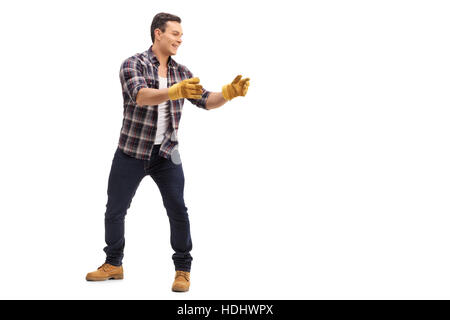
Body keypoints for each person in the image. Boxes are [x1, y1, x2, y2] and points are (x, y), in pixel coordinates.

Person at [85, 12, 250, 292]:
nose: (180, 39)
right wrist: (174, 92)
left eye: (181, 35)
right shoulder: (133, 64)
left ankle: (183, 270)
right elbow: (140, 95)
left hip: (166, 155)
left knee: (177, 209)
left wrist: (228, 94)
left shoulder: (181, 72)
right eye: (175, 33)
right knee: (115, 210)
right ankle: (113, 263)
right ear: (157, 33)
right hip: (131, 153)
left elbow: (207, 100)